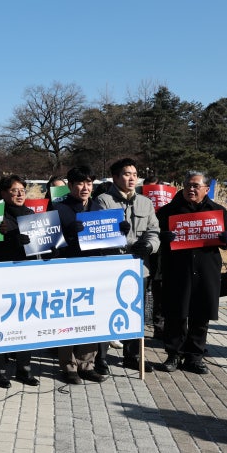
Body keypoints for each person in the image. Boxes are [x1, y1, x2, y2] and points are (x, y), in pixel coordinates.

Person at [157, 171, 227, 375]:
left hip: (206, 270)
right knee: (176, 314)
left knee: (201, 314)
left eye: (196, 186)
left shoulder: (217, 211)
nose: (191, 189)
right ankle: (174, 354)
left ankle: (195, 357)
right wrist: (163, 238)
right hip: (177, 270)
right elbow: (154, 236)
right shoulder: (168, 211)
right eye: (188, 185)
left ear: (206, 189)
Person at [95, 158, 159, 373]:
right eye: (126, 174)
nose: (132, 178)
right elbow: (103, 234)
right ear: (115, 177)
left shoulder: (145, 202)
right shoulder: (103, 200)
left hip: (139, 267)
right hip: (112, 265)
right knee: (107, 310)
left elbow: (154, 230)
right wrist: (134, 243)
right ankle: (101, 357)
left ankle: (133, 356)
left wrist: (150, 246)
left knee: (135, 313)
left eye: (134, 174)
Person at [51, 166, 107, 385]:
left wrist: (119, 231)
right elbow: (50, 244)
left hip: (92, 270)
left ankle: (87, 364)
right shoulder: (59, 208)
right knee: (68, 318)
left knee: (90, 317)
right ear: (71, 185)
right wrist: (68, 233)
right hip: (67, 270)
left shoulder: (97, 208)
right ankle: (68, 365)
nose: (86, 188)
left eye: (89, 183)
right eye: (81, 183)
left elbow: (106, 242)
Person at [0, 175, 40, 388]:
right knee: (1, 321)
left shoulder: (30, 214)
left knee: (26, 321)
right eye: (14, 190)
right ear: (4, 192)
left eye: (22, 190)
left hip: (26, 275)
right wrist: (9, 240)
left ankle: (24, 368)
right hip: (1, 275)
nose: (19, 194)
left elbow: (43, 243)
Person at [143, 175, 167, 340]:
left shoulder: (167, 208)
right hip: (142, 252)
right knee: (142, 290)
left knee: (159, 291)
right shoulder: (140, 204)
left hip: (159, 255)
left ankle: (159, 328)